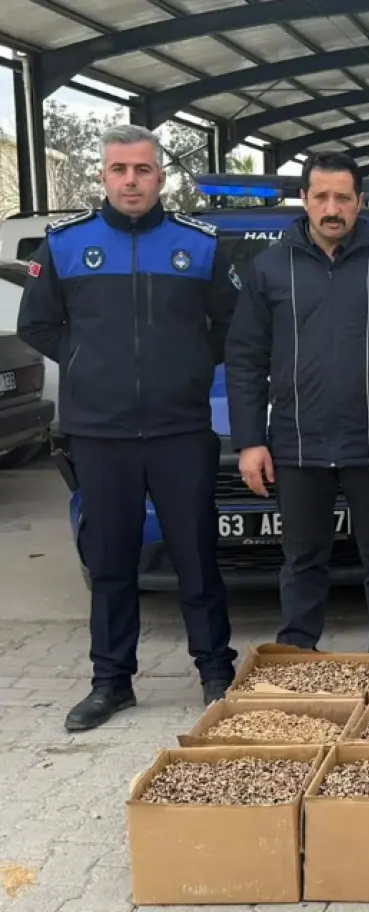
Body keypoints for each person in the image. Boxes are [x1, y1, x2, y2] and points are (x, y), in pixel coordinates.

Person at [16, 124, 238, 730]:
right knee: (111, 562)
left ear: (160, 176)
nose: (131, 180)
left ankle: (215, 672)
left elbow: (232, 323)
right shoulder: (66, 245)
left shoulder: (199, 245)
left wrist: (188, 367)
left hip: (180, 429)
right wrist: (90, 364)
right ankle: (111, 682)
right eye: (119, 169)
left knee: (196, 555)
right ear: (104, 176)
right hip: (100, 433)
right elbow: (38, 325)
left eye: (142, 169)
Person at [224, 151, 369, 653]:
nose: (331, 209)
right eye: (321, 197)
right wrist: (249, 442)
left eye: (342, 198)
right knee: (302, 563)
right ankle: (298, 660)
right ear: (303, 199)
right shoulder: (270, 268)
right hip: (297, 445)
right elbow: (244, 358)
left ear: (358, 202)